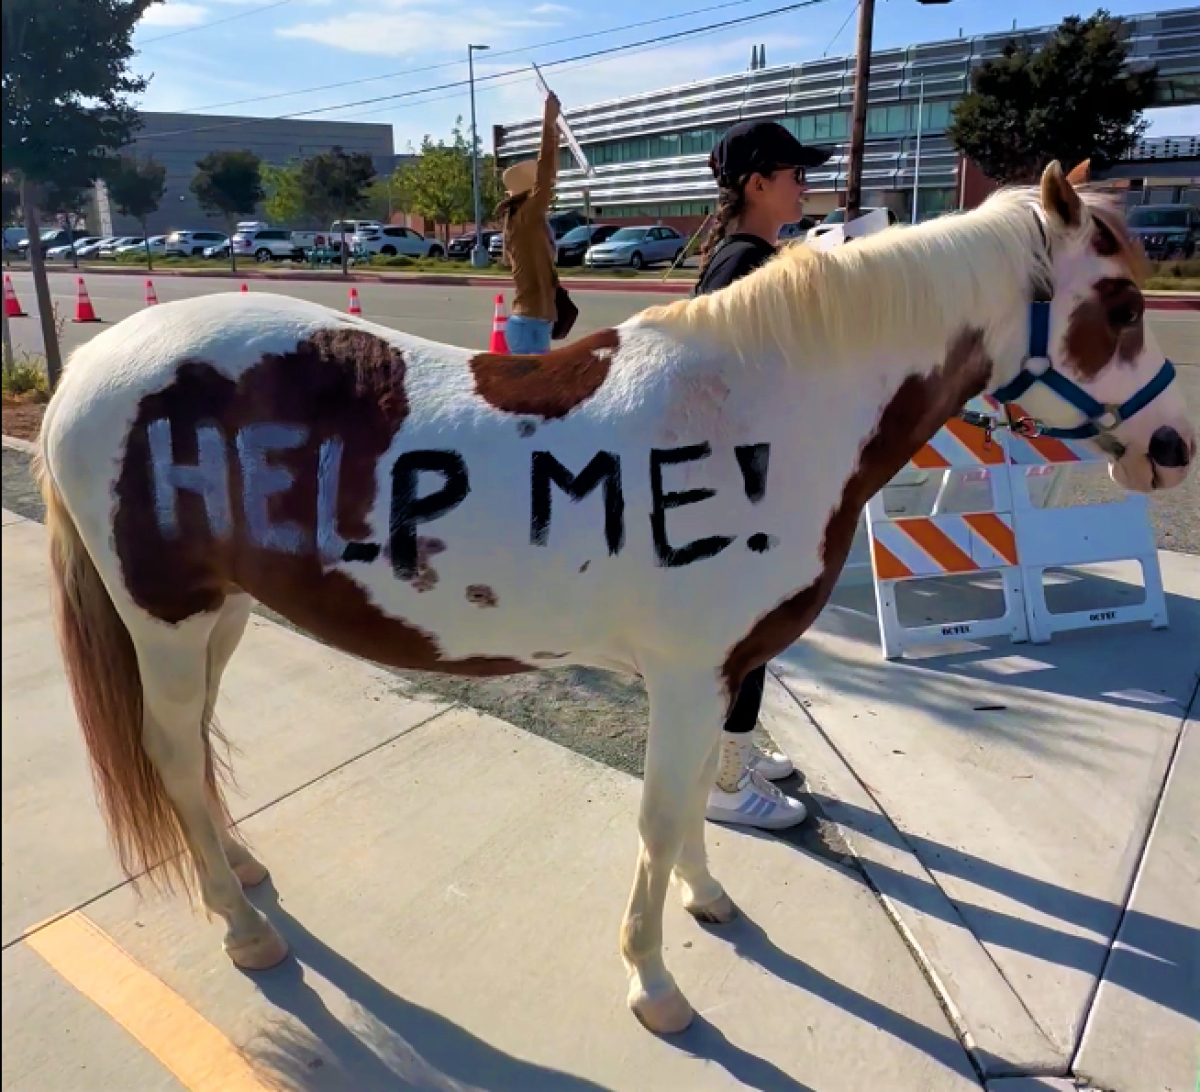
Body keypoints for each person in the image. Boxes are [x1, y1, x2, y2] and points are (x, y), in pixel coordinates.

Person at [693, 119, 832, 831]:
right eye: (793, 174)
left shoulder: (748, 256)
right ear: (757, 185)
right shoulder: (746, 265)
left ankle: (735, 750)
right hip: (740, 486)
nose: (804, 185)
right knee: (748, 631)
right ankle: (722, 780)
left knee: (755, 632)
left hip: (744, 479)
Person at [495, 91, 562, 355]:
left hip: (536, 323)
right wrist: (547, 124)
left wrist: (554, 135)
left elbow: (548, 174)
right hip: (528, 325)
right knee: (530, 394)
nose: (548, 190)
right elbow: (545, 175)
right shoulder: (524, 217)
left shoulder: (529, 221)